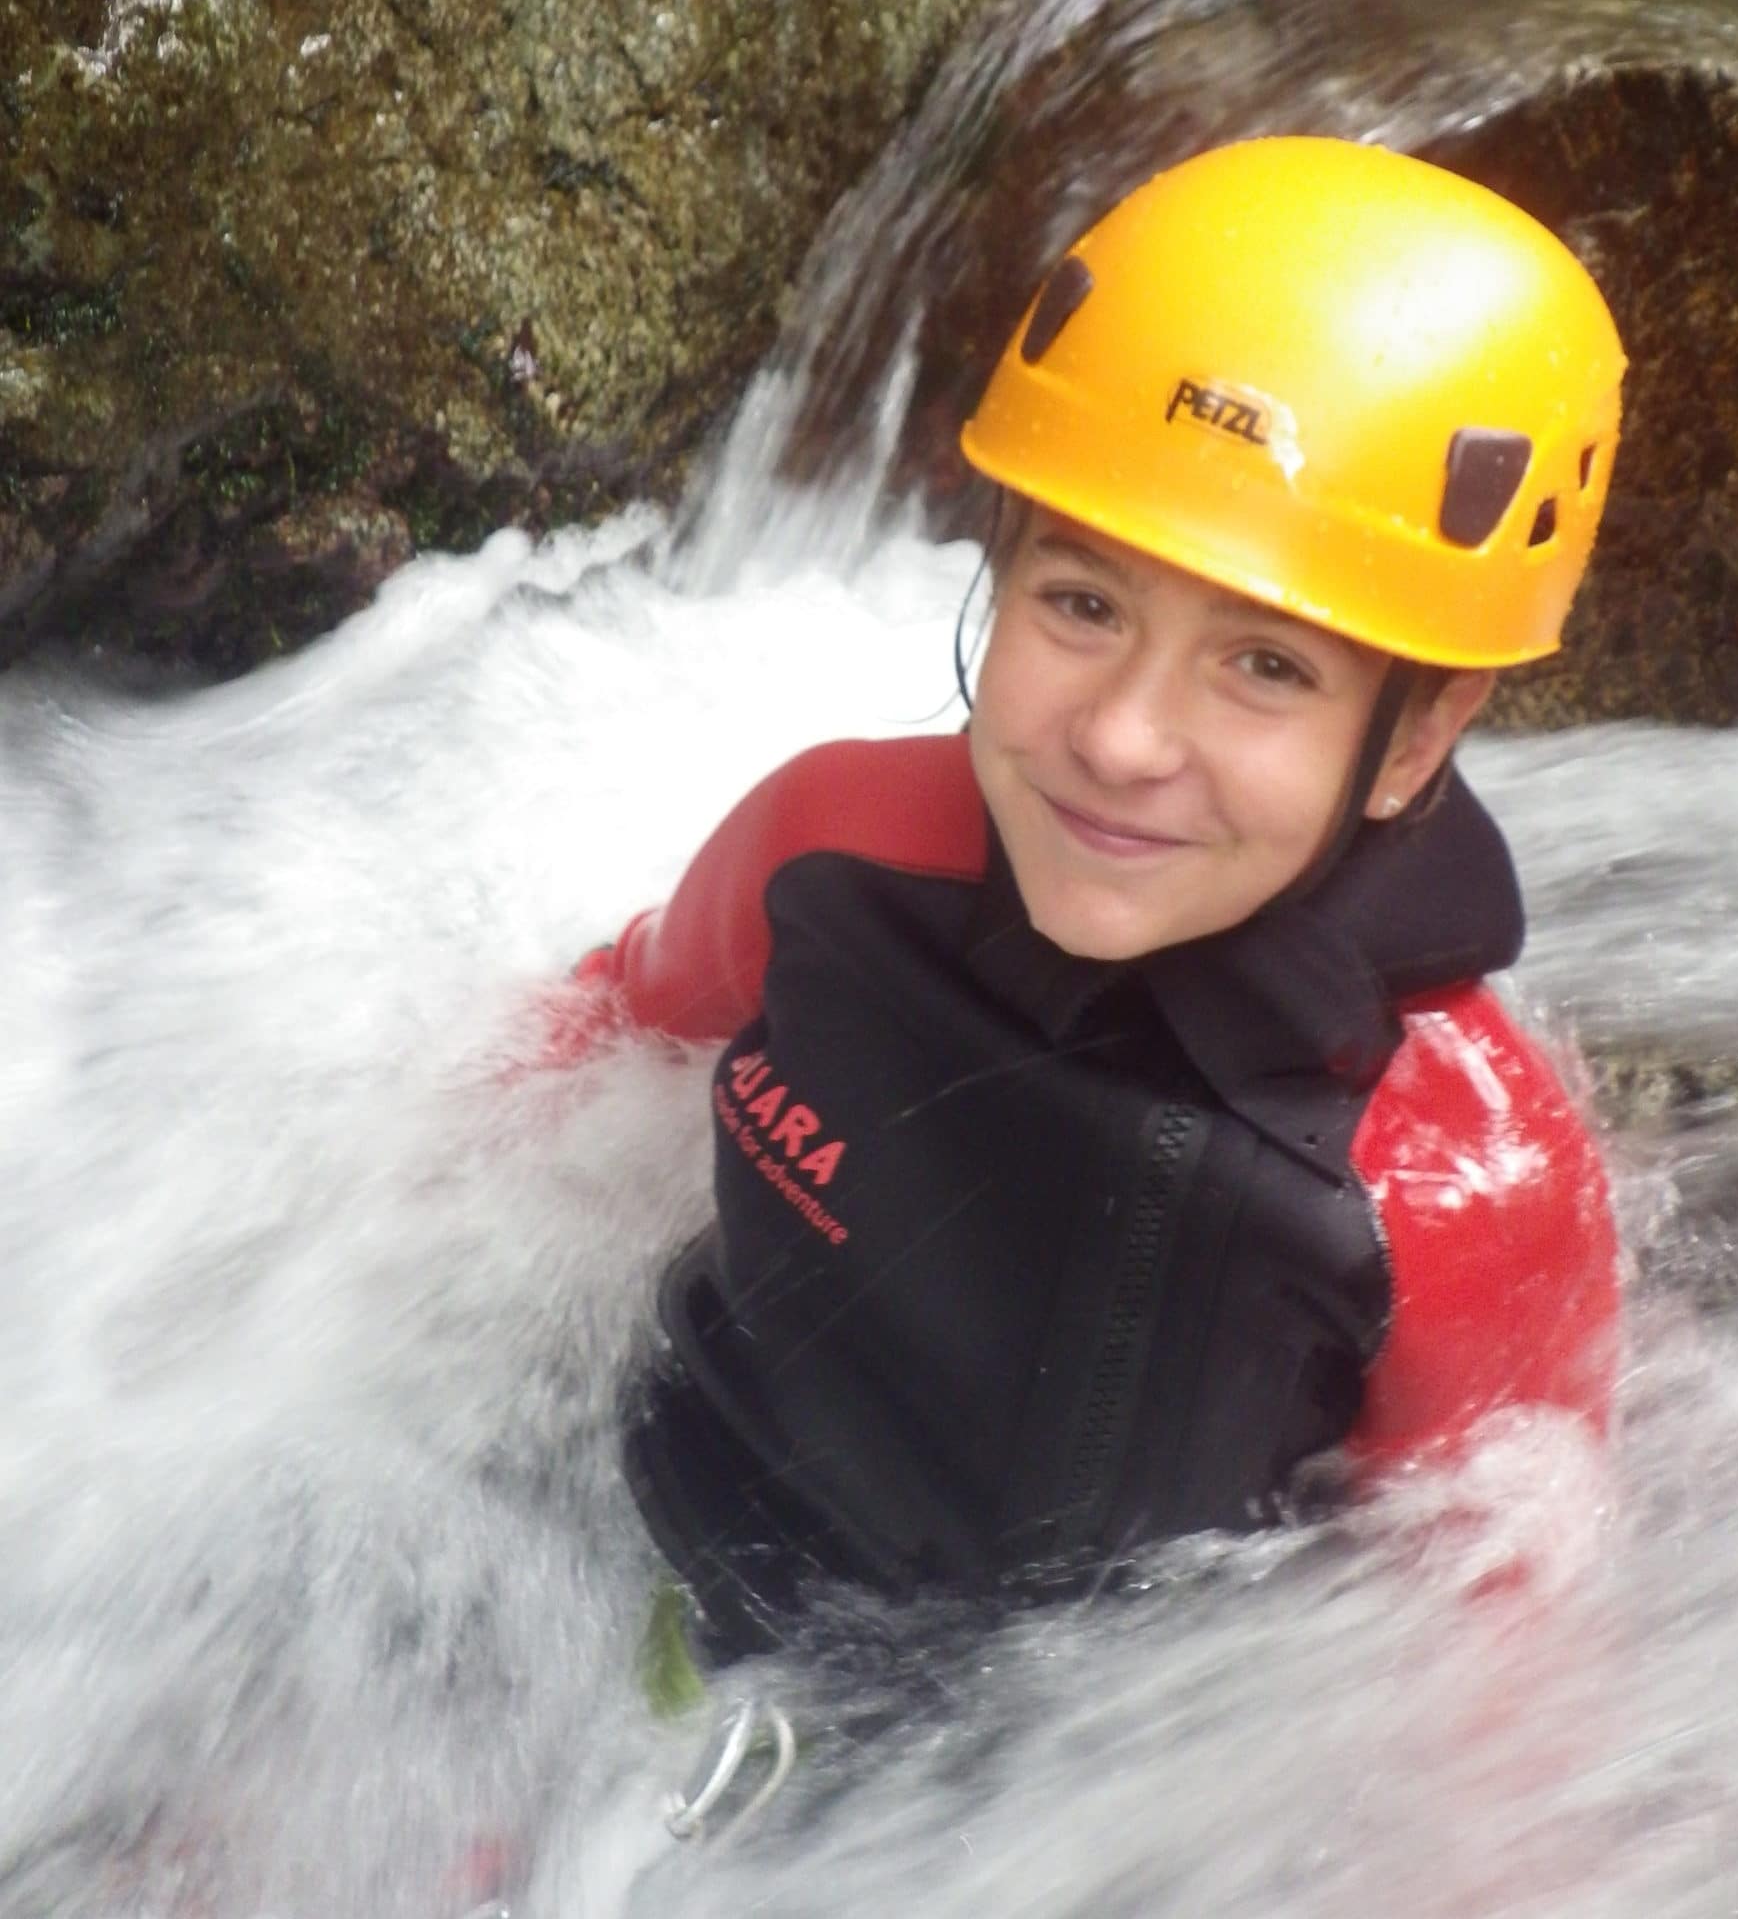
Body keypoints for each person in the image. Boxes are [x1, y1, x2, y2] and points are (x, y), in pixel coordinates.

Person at [558, 135, 1627, 1671]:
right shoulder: (832, 842)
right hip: (636, 1564)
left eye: (1265, 666)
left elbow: (1487, 1668)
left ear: (1418, 736)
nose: (1122, 739)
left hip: (1067, 1764)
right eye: (1081, 602)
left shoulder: (1461, 1192)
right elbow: (592, 1047)